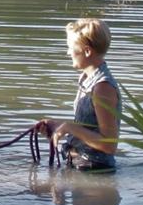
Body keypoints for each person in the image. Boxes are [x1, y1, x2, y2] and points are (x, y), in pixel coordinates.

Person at [34, 18, 121, 171]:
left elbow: (109, 145)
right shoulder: (87, 79)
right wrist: (57, 125)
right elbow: (87, 127)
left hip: (94, 171)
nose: (68, 53)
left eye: (71, 48)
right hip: (79, 166)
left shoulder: (102, 87)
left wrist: (69, 128)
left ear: (87, 51)